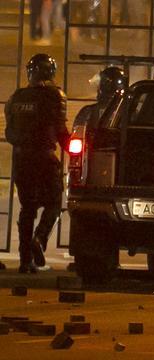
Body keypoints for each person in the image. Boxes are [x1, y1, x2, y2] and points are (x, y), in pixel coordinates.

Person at [4, 54, 70, 273]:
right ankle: (39, 239)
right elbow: (61, 132)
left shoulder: (16, 97)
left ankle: (25, 261)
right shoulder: (55, 96)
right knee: (54, 202)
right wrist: (75, 147)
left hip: (21, 160)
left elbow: (10, 133)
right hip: (45, 157)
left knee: (27, 208)